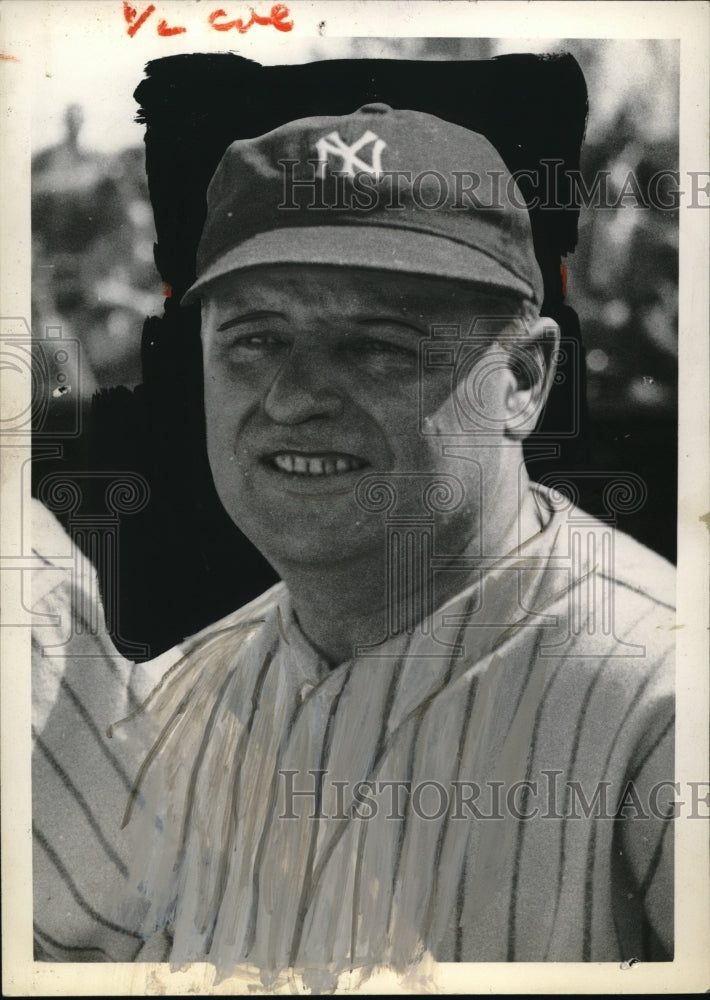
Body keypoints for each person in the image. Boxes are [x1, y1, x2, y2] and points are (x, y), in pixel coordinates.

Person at [103, 104, 673, 987]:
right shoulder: (167, 704)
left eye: (378, 345)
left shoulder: (667, 698)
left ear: (522, 380)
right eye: (255, 340)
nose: (293, 399)